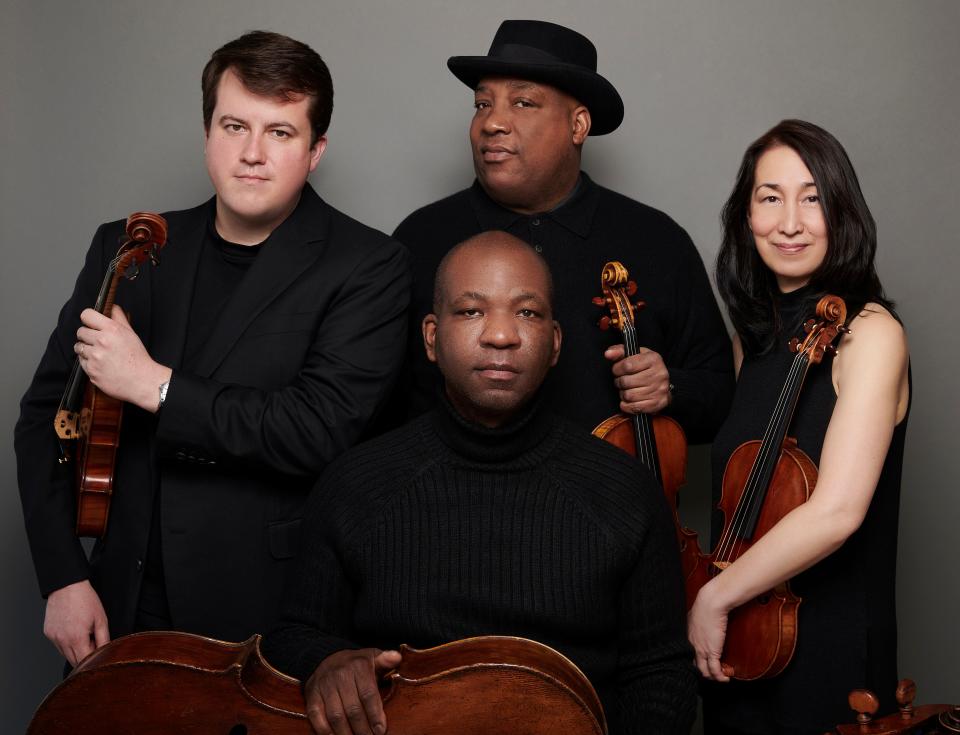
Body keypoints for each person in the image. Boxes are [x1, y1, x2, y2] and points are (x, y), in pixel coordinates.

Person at [14, 31, 410, 667]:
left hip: (266, 611)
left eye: (280, 133)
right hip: (117, 603)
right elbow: (45, 418)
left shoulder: (369, 265)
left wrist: (154, 386)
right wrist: (64, 576)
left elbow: (316, 430)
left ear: (315, 151)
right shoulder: (127, 247)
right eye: (234, 126)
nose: (252, 154)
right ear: (207, 134)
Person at [263, 231, 698, 735]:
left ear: (556, 343)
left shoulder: (625, 489)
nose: (500, 336)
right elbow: (294, 633)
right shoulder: (355, 482)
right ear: (431, 336)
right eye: (470, 311)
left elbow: (661, 673)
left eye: (527, 314)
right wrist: (325, 658)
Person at [390, 19, 733, 441]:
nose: (492, 123)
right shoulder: (419, 237)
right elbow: (382, 406)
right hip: (450, 501)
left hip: (609, 500)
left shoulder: (657, 240)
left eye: (523, 103)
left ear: (578, 126)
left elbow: (720, 398)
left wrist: (671, 388)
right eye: (482, 104)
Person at [688, 119, 910, 734]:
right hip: (742, 642)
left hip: (829, 643)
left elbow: (837, 511)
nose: (790, 222)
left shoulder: (870, 333)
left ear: (843, 213)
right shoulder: (751, 343)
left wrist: (713, 597)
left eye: (812, 197)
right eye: (770, 198)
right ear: (746, 218)